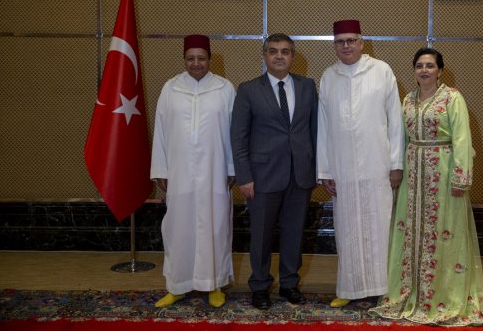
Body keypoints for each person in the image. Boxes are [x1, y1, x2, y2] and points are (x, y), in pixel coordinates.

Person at [369, 48, 483, 326]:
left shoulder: (452, 98)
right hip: (413, 177)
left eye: (429, 66)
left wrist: (461, 177)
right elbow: (400, 137)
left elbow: (462, 139)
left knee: (444, 234)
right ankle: (410, 293)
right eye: (419, 66)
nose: (424, 70)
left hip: (443, 175)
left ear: (440, 70)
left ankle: (442, 297)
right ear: (414, 70)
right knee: (411, 233)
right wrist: (396, 168)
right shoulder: (408, 99)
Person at [317, 19, 404, 308]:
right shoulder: (329, 76)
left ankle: (382, 288)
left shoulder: (381, 71)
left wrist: (396, 163)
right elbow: (323, 127)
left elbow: (395, 121)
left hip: (377, 165)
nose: (346, 46)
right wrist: (325, 170)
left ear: (362, 42)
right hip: (342, 168)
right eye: (340, 41)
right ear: (334, 45)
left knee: (379, 226)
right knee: (347, 230)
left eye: (351, 40)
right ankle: (349, 288)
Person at [231, 33, 318, 310]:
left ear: (293, 56)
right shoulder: (248, 89)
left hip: (299, 175)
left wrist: (316, 169)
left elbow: (315, 131)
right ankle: (259, 286)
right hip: (262, 177)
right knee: (261, 235)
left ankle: (290, 284)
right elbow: (238, 137)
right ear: (265, 55)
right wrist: (244, 176)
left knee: (294, 233)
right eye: (273, 51)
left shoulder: (307, 86)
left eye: (285, 51)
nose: (279, 56)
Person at [150, 34, 236, 308]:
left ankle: (214, 284)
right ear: (184, 60)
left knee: (215, 227)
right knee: (178, 228)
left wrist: (232, 167)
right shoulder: (171, 88)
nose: (196, 63)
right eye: (190, 58)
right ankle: (177, 285)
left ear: (210, 59)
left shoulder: (224, 88)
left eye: (201, 58)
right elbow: (161, 131)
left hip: (215, 171)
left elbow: (234, 133)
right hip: (179, 173)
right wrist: (161, 168)